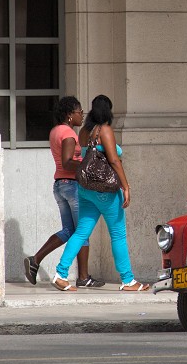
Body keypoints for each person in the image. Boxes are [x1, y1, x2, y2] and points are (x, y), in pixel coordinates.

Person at [53, 95, 149, 292]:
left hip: (85, 189)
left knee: (81, 232)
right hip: (105, 191)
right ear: (108, 111)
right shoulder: (104, 130)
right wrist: (126, 186)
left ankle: (60, 274)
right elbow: (114, 160)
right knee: (118, 235)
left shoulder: (85, 132)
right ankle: (128, 280)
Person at [22, 96, 101, 290]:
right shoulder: (68, 133)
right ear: (69, 115)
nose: (82, 115)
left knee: (68, 230)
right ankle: (83, 277)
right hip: (72, 185)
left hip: (59, 185)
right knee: (83, 231)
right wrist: (89, 164)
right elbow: (67, 162)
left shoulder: (55, 131)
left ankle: (35, 259)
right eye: (79, 112)